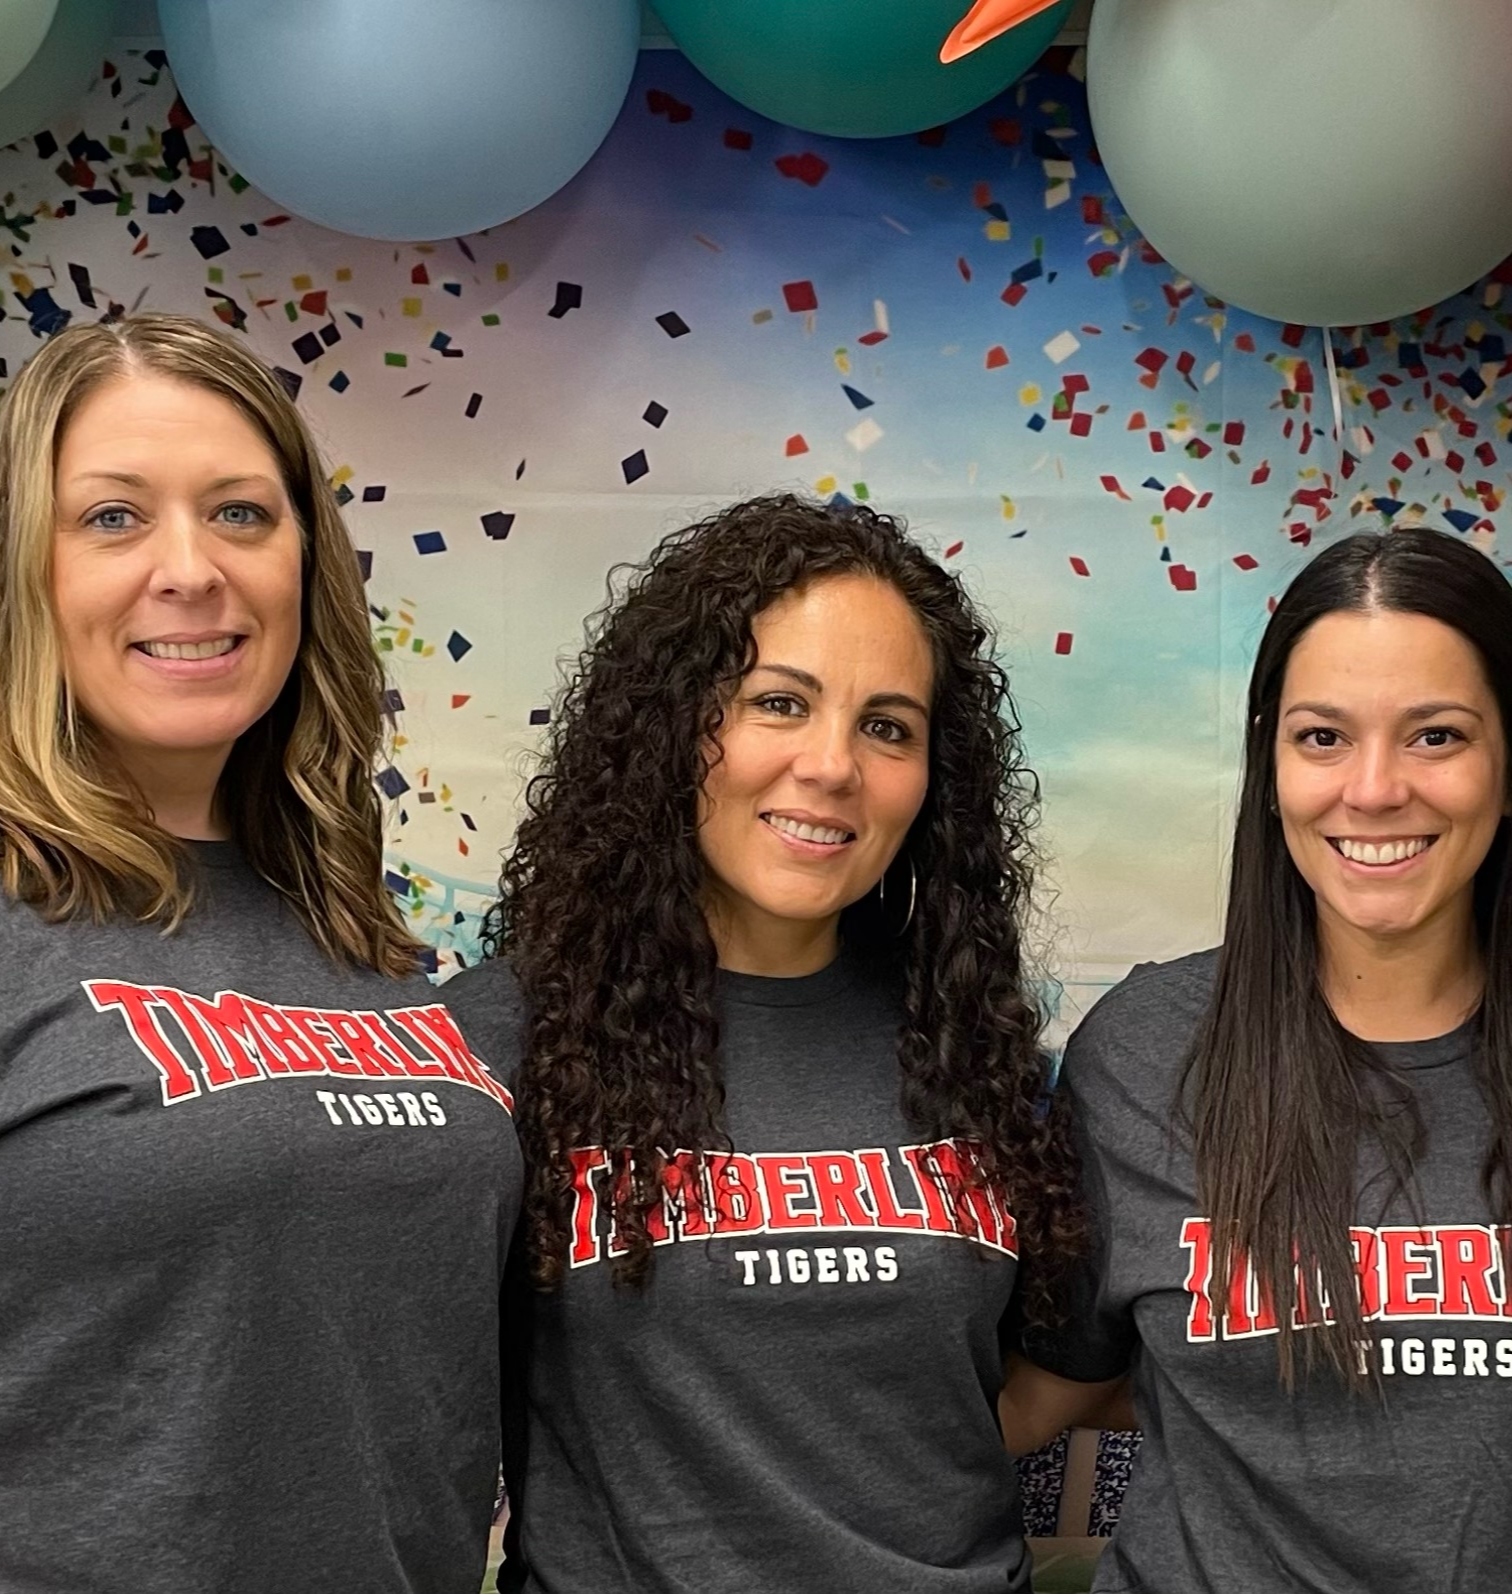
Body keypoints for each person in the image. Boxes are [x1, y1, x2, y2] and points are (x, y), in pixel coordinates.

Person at [0, 314, 518, 1592]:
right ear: (21, 567)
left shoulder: (346, 920)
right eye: (112, 517)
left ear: (307, 563)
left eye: (242, 514)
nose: (190, 569)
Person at [1008, 527, 1512, 1592]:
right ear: (1271, 763)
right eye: (1322, 737)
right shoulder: (1142, 1054)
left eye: (1434, 736)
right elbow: (1037, 1396)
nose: (1373, 789)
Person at [445, 493, 1084, 1593]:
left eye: (887, 726)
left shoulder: (974, 1047)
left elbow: (1059, 1375)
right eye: (777, 703)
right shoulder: (504, 1041)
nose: (831, 765)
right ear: (672, 729)